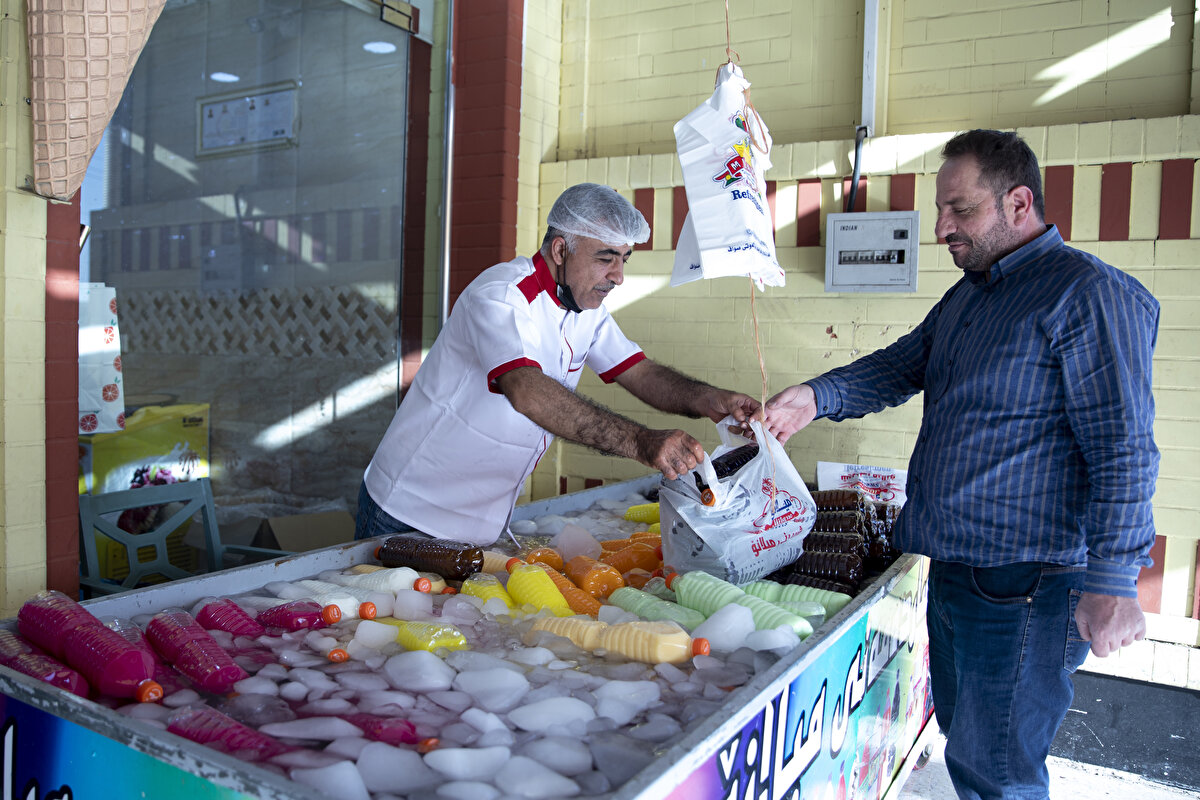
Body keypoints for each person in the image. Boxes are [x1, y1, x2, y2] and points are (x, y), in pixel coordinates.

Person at [763, 130, 1159, 800]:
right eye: (940, 210)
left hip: (1024, 586)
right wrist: (815, 397)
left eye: (961, 210)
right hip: (954, 573)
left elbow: (1123, 446)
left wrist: (1115, 580)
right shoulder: (973, 294)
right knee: (972, 751)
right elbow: (903, 364)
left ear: (1020, 202)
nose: (942, 227)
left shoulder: (1085, 294)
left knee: (997, 772)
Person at [356, 183, 760, 545]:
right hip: (410, 512)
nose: (617, 276)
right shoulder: (501, 295)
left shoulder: (587, 308)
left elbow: (639, 371)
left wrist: (711, 400)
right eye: (606, 258)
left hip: (481, 524)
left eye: (624, 259)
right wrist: (641, 442)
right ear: (560, 250)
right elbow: (527, 390)